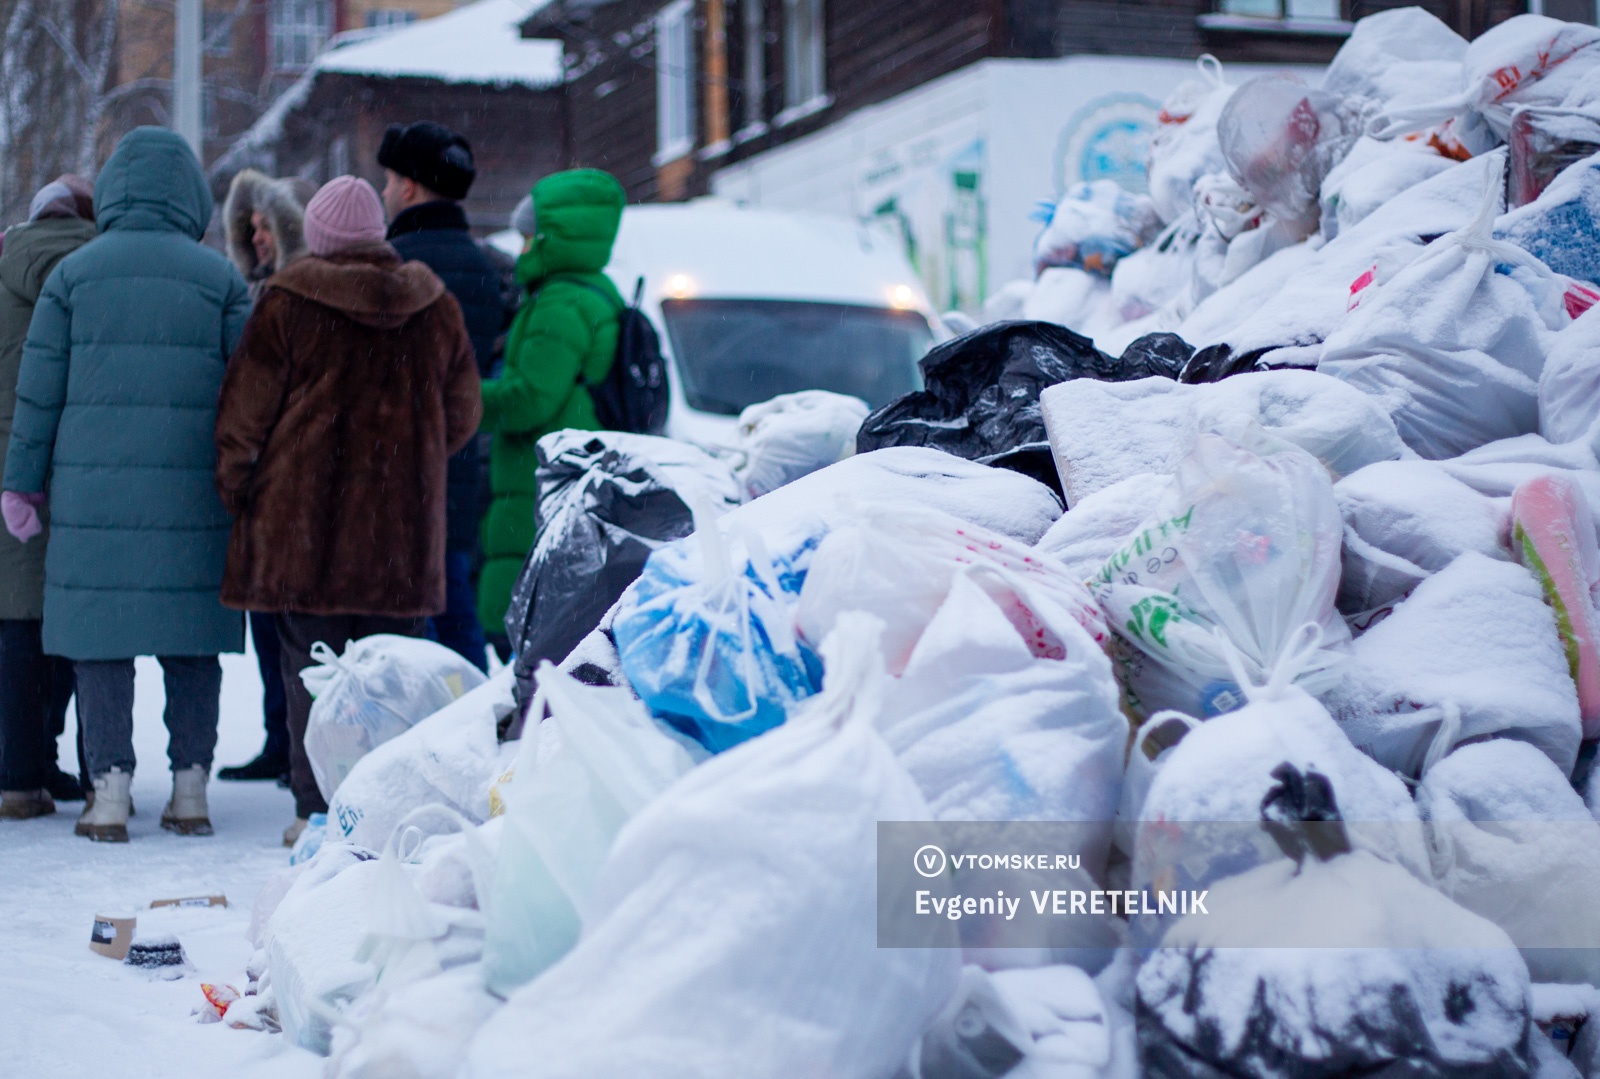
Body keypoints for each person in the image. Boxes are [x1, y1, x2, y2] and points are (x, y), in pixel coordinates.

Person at [214, 176, 481, 846]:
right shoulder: (433, 304)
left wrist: (241, 486)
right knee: (392, 669)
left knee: (313, 663)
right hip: (400, 527)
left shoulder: (286, 301)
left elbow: (243, 415)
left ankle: (317, 808)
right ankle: (387, 800)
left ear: (320, 236)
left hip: (304, 526)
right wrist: (412, 460)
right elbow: (463, 412)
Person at [1, 127, 250, 843]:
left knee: (101, 643)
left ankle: (107, 791)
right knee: (190, 641)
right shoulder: (220, 279)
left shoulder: (73, 278)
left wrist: (22, 484)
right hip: (192, 496)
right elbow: (246, 394)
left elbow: (37, 398)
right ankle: (191, 788)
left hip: (93, 499)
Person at [477, 168, 625, 637]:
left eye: (527, 237)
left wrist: (460, 397)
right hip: (563, 477)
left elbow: (529, 400)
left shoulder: (561, 303)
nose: (521, 248)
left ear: (549, 238)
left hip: (541, 481)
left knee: (524, 630)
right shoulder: (596, 291)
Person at [379, 122, 503, 672]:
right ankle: (477, 712)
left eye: (388, 181)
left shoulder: (393, 263)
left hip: (401, 462)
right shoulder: (485, 266)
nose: (384, 193)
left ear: (408, 189)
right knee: (455, 595)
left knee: (412, 608)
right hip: (462, 457)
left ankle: (429, 725)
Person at [216, 168, 318, 784]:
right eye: (249, 229)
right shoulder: (250, 294)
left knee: (297, 625)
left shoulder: (302, 295)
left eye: (266, 227)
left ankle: (301, 744)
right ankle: (279, 738)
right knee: (266, 620)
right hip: (258, 482)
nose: (257, 238)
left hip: (293, 480)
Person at [0, 177, 96, 820]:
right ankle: (67, 760)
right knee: (75, 618)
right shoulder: (99, 272)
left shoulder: (4, 265)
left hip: (9, 468)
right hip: (86, 462)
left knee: (15, 616)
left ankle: (18, 773)